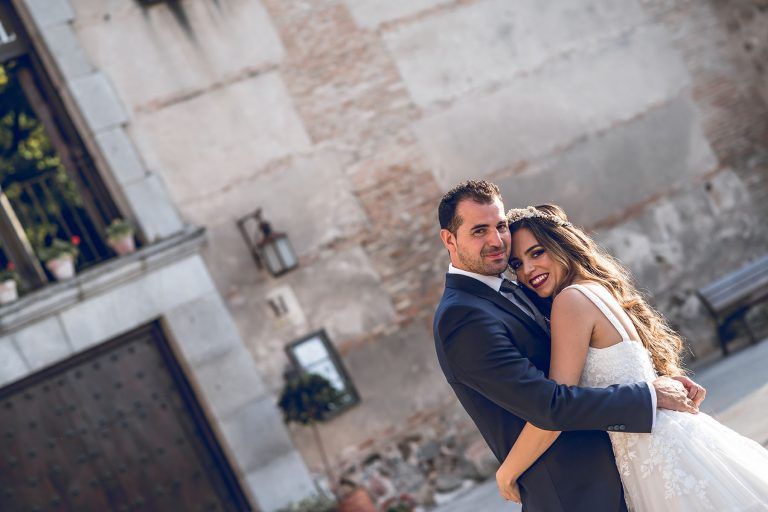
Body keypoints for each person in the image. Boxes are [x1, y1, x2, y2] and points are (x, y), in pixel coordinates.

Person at [432, 180, 704, 512]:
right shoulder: (462, 317)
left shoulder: (521, 290)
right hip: (574, 494)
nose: (496, 240)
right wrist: (650, 395)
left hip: (621, 475)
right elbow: (549, 406)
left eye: (500, 226)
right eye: (479, 231)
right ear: (449, 239)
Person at [498, 203, 768, 511]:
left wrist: (508, 471)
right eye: (517, 264)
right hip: (665, 439)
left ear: (560, 245)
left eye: (537, 253)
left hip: (651, 454)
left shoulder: (569, 301)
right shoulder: (595, 289)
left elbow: (557, 408)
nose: (528, 270)